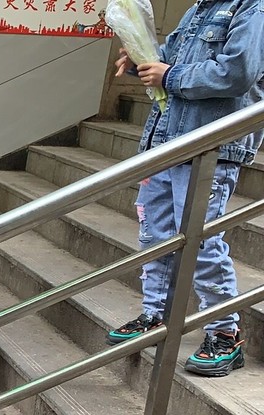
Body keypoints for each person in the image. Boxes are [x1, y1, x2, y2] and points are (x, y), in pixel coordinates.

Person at [105, 1, 264, 377]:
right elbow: (171, 58)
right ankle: (155, 314)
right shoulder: (199, 9)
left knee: (202, 242)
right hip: (168, 141)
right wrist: (143, 60)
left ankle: (225, 332)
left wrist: (170, 75)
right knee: (156, 236)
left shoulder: (251, 8)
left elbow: (238, 72)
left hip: (210, 148)